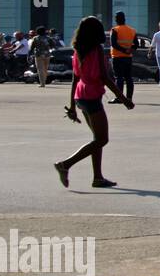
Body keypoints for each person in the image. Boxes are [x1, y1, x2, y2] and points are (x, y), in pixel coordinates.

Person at [54, 15, 133, 189]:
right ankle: (65, 165)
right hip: (91, 96)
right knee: (102, 139)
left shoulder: (78, 49)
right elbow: (104, 77)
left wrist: (73, 106)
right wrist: (124, 99)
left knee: (96, 138)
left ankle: (97, 178)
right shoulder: (96, 49)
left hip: (81, 95)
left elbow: (75, 78)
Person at [108, 11, 137, 104]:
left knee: (119, 78)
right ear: (124, 19)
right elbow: (136, 44)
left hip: (117, 57)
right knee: (129, 78)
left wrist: (123, 50)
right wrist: (129, 50)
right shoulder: (132, 30)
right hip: (128, 58)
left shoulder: (115, 30)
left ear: (116, 19)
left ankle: (119, 98)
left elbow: (113, 44)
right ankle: (129, 98)